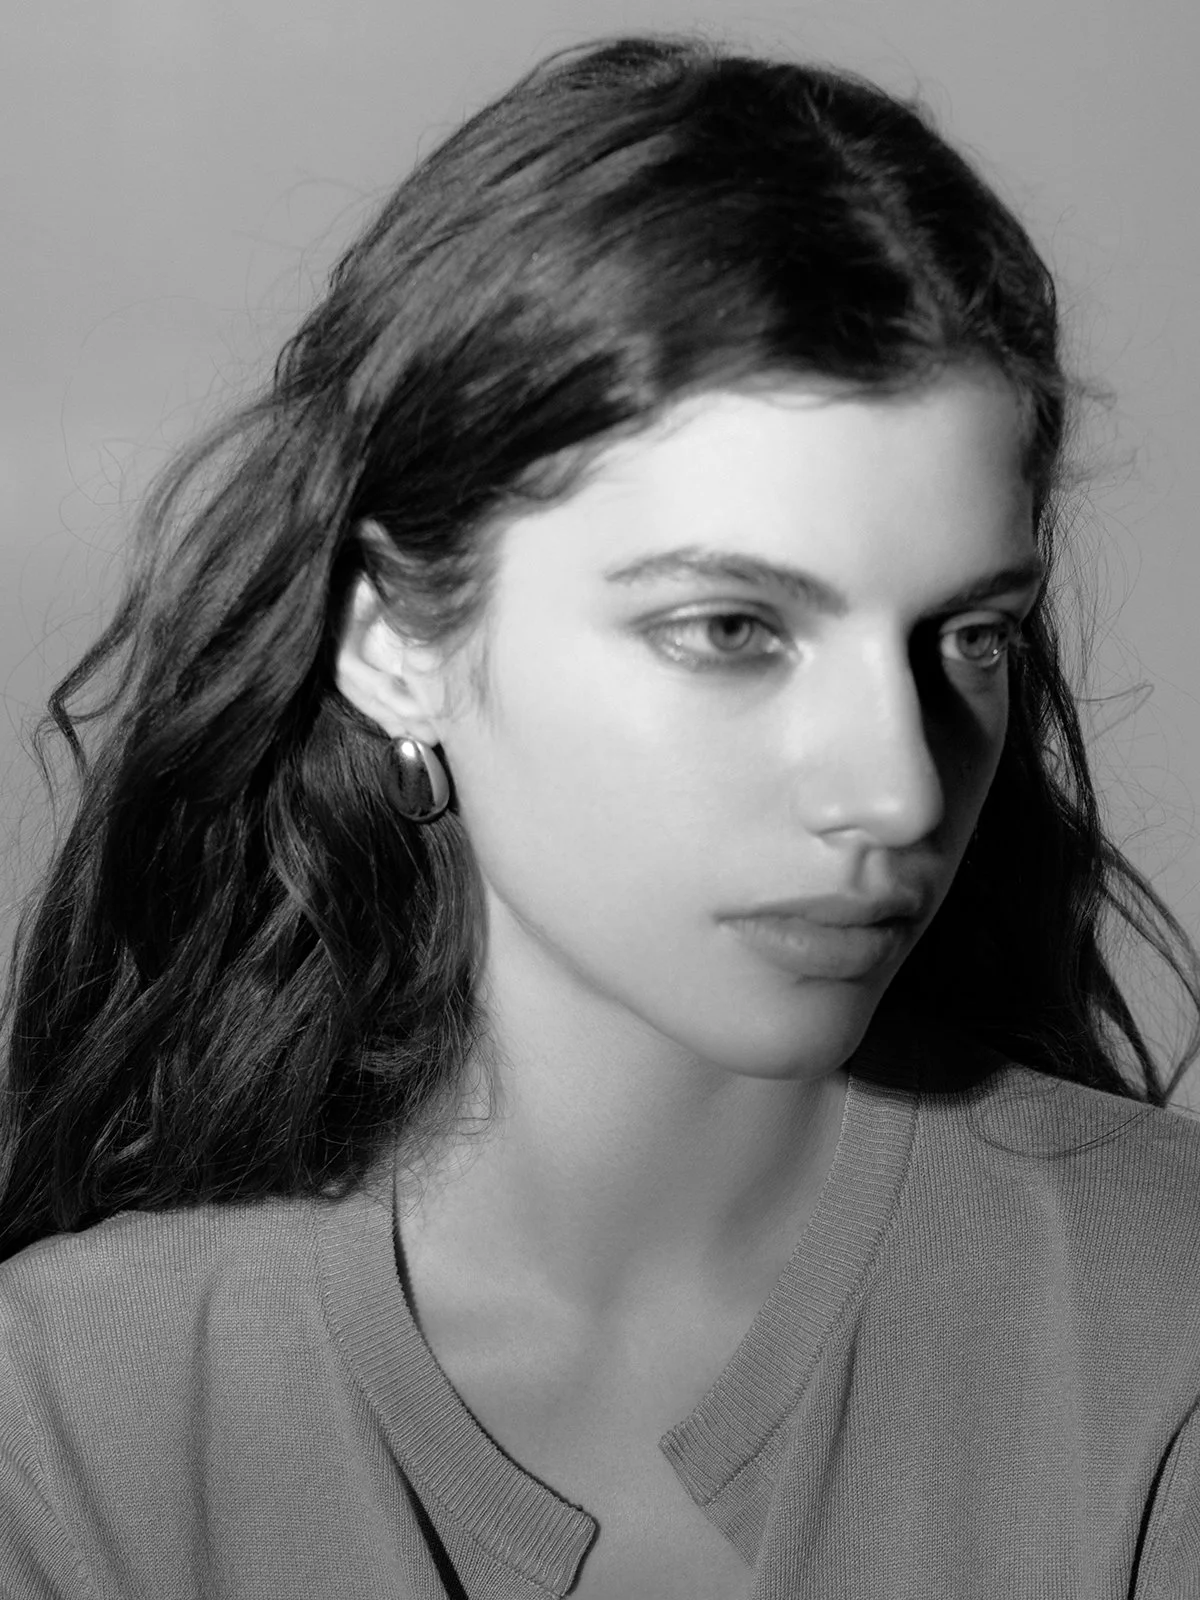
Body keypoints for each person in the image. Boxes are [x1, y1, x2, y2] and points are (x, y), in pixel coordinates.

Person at [1, 31, 1198, 1600]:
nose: (900, 786)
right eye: (731, 630)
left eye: (968, 635)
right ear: (394, 642)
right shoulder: (73, 1417)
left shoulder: (1164, 1323)